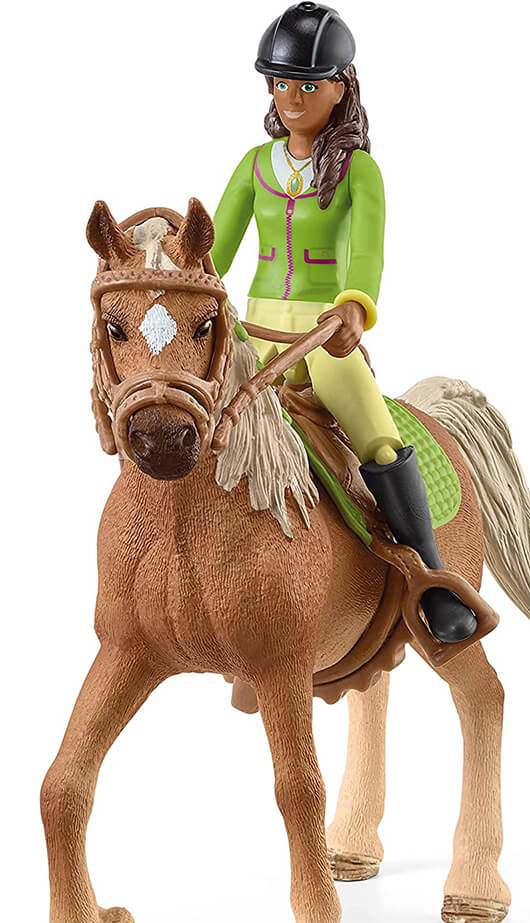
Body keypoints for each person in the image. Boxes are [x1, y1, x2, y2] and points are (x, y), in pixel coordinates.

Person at [212, 3, 476, 643]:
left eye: (308, 85)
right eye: (281, 83)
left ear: (340, 87)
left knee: (375, 437)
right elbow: (213, 250)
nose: (292, 97)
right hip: (253, 330)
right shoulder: (254, 166)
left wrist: (354, 305)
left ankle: (430, 576)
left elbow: (367, 250)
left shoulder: (359, 172)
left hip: (323, 333)